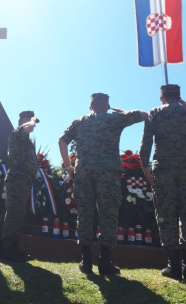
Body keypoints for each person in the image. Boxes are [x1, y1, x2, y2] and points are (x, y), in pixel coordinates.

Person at [59, 93, 147, 275]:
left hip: (83, 172)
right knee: (108, 214)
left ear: (90, 106)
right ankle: (105, 262)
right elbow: (143, 114)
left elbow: (62, 141)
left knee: (84, 214)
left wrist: (69, 167)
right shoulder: (115, 118)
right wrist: (118, 110)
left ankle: (86, 261)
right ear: (107, 105)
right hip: (108, 173)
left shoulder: (79, 121)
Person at [140, 84, 186, 281]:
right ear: (179, 97)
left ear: (162, 97)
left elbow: (146, 141)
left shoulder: (155, 112)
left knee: (166, 213)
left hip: (164, 169)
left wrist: (145, 167)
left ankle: (173, 266)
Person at [1, 110, 39, 262]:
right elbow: (28, 128)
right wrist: (33, 121)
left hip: (24, 179)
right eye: (28, 119)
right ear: (23, 120)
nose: (32, 123)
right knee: (14, 212)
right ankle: (7, 248)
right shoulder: (17, 132)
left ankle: (14, 247)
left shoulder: (26, 140)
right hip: (17, 177)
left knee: (18, 213)